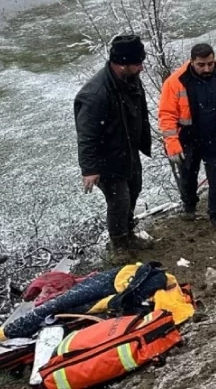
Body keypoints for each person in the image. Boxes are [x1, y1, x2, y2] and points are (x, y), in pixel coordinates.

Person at [73, 35, 153, 261]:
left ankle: (128, 234)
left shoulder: (130, 78)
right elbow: (86, 134)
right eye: (138, 63)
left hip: (128, 150)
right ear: (122, 63)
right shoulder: (96, 94)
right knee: (119, 201)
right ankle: (118, 244)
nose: (142, 67)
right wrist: (89, 169)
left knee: (134, 189)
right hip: (107, 158)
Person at [159, 43, 216, 233]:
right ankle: (189, 205)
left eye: (210, 63)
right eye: (201, 65)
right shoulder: (175, 81)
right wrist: (172, 145)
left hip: (214, 135)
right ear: (192, 61)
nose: (207, 68)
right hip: (188, 138)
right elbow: (167, 115)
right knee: (188, 175)